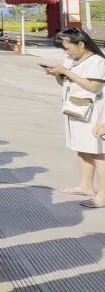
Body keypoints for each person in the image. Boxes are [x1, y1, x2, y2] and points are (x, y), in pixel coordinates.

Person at [45, 27, 105, 209]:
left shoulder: (97, 61)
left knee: (98, 153)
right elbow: (65, 82)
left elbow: (93, 86)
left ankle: (103, 195)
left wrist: (67, 71)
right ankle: (85, 186)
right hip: (76, 109)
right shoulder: (71, 60)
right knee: (82, 148)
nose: (66, 52)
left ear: (81, 44)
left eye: (67, 48)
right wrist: (58, 74)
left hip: (95, 112)